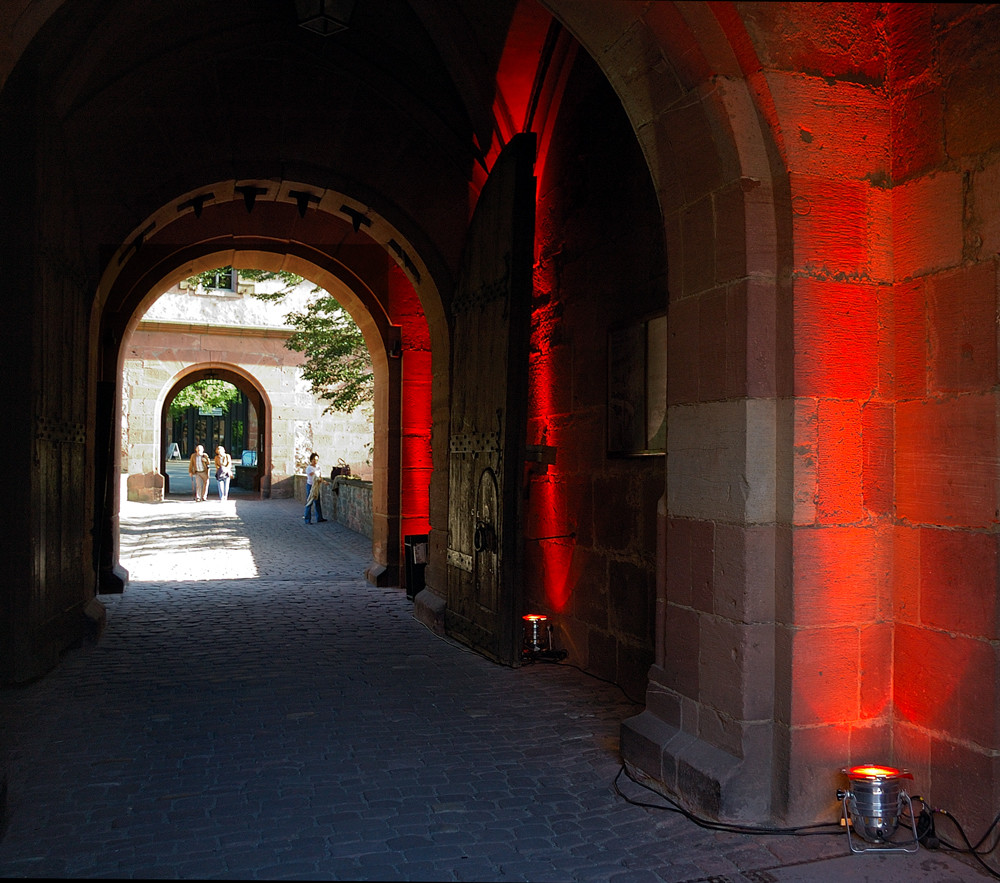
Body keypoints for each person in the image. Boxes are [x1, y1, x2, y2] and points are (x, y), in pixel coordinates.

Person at [304, 452, 327, 524]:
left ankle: (319, 518)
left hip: (316, 486)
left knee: (317, 502)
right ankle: (307, 520)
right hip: (311, 486)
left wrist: (321, 480)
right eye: (314, 459)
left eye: (317, 459)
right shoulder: (309, 468)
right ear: (311, 460)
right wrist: (324, 482)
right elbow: (315, 477)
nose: (315, 461)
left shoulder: (318, 467)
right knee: (309, 502)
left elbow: (319, 476)